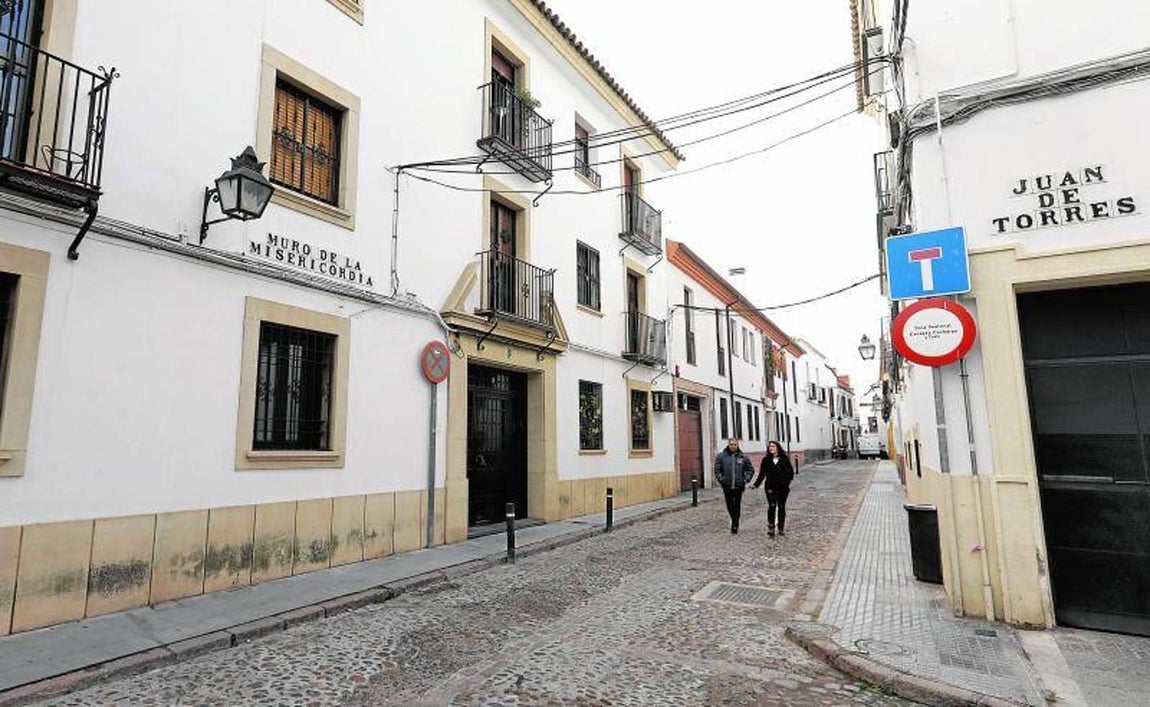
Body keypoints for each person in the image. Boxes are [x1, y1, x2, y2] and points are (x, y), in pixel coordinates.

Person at [752, 440, 795, 537]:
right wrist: (756, 484)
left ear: (777, 448)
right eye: (769, 446)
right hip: (770, 487)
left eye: (773, 446)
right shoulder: (766, 460)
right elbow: (762, 474)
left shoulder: (784, 459)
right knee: (771, 506)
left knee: (781, 507)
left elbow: (790, 473)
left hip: (782, 488)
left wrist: (786, 483)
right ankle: (771, 527)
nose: (771, 448)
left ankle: (781, 527)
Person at [714, 437, 755, 534]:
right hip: (727, 486)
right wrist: (721, 479)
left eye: (735, 444)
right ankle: (734, 519)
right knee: (729, 506)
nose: (733, 446)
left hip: (738, 486)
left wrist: (745, 480)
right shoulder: (721, 457)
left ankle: (735, 524)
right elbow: (717, 470)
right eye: (731, 444)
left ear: (737, 445)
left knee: (737, 506)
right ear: (728, 445)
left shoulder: (743, 457)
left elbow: (750, 470)